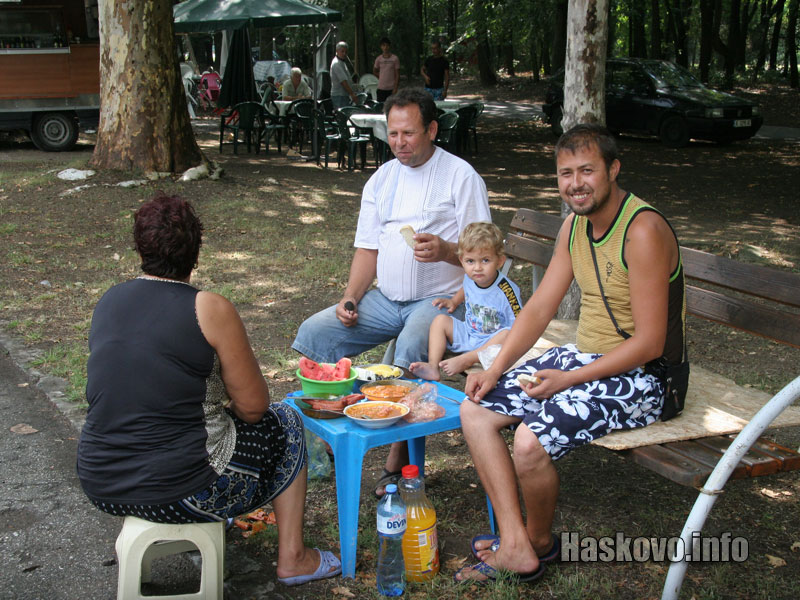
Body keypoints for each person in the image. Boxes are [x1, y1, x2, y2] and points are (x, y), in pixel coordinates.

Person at [455, 124, 686, 584]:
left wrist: (568, 381)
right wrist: (496, 367)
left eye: (587, 170)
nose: (575, 183)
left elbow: (650, 344)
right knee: (474, 408)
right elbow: (539, 308)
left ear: (613, 169)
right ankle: (515, 542)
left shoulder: (642, 230)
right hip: (588, 358)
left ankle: (536, 544)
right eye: (565, 173)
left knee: (528, 442)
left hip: (651, 377)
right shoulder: (574, 226)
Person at [76, 193, 341, 587]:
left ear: (140, 247)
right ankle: (293, 558)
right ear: (195, 252)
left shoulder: (109, 301)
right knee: (286, 419)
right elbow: (254, 407)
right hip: (184, 490)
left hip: (101, 482)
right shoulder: (208, 308)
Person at [292, 88, 491, 496]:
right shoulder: (381, 179)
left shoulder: (461, 176)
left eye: (409, 133)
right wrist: (350, 297)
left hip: (443, 300)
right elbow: (368, 248)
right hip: (385, 299)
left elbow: (484, 252)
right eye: (393, 133)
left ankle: (394, 464)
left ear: (432, 129)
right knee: (316, 333)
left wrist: (448, 251)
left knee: (410, 349)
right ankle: (325, 440)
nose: (399, 143)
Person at [409, 222, 521, 381]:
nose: (477, 268)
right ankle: (433, 366)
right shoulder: (471, 277)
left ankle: (467, 359)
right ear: (461, 260)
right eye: (470, 261)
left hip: (491, 344)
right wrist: (454, 301)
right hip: (469, 333)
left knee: (507, 334)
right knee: (440, 320)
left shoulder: (507, 291)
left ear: (500, 261)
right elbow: (466, 288)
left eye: (485, 260)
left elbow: (519, 325)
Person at [330, 41, 358, 108]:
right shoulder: (336, 63)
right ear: (337, 51)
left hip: (344, 95)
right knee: (342, 116)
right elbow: (343, 82)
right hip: (339, 96)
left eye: (345, 52)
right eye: (342, 51)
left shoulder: (342, 62)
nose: (344, 53)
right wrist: (352, 94)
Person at [373, 36, 400, 102]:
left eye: (387, 45)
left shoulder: (395, 59)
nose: (385, 47)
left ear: (389, 46)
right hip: (381, 88)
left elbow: (397, 75)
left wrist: (395, 88)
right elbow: (374, 71)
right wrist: (382, 77)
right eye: (383, 45)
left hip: (391, 89)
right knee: (380, 108)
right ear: (381, 47)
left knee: (391, 109)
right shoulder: (378, 59)